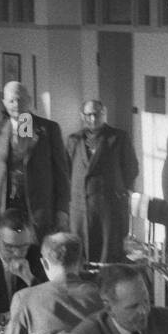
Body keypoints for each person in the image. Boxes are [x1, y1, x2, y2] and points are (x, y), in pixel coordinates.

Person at [0, 80, 70, 236]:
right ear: (4, 103)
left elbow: (62, 173)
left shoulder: (48, 129)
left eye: (20, 99)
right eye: (11, 100)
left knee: (36, 255)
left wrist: (62, 210)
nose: (16, 104)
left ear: (29, 100)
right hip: (6, 206)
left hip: (38, 208)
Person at [66, 99, 139, 264]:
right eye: (88, 115)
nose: (93, 118)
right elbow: (67, 171)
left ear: (104, 114)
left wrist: (121, 192)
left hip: (109, 207)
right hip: (81, 209)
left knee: (108, 254)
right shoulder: (74, 140)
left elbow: (131, 168)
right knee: (82, 253)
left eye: (97, 114)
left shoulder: (118, 137)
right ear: (82, 116)